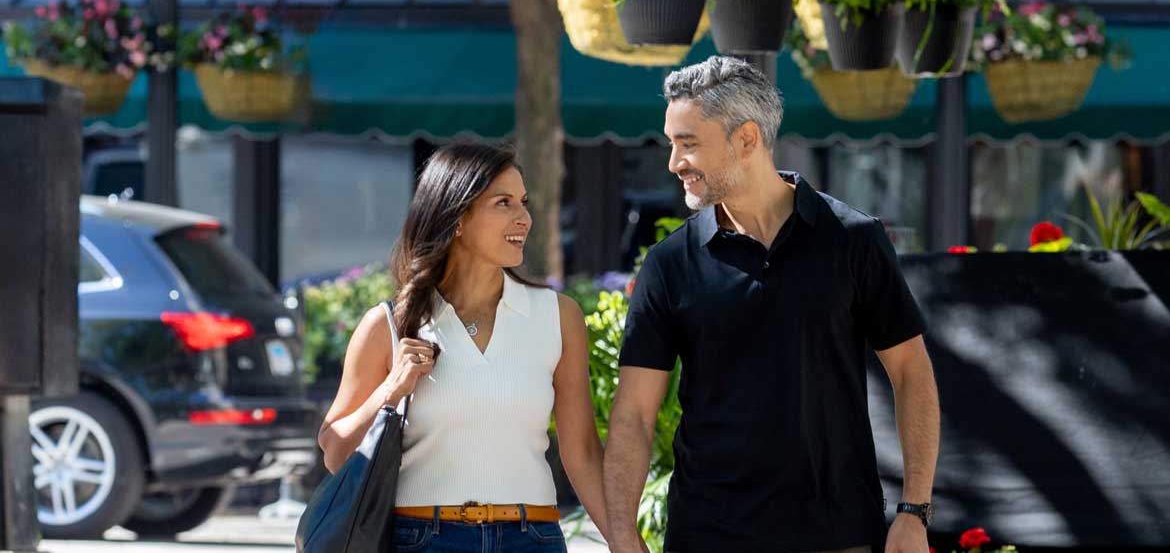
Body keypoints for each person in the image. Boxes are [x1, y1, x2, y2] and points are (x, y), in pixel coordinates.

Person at [603, 56, 940, 553]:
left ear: (746, 139)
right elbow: (633, 413)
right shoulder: (669, 264)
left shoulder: (853, 240)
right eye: (672, 143)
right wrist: (621, 533)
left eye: (688, 143)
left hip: (838, 536)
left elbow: (912, 372)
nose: (674, 163)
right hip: (709, 539)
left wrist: (915, 511)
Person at [318, 141, 608, 552]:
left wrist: (625, 542)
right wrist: (391, 390)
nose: (524, 218)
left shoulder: (558, 316)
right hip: (424, 540)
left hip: (533, 539)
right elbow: (335, 452)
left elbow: (583, 453)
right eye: (504, 203)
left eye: (523, 202)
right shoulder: (389, 325)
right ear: (457, 218)